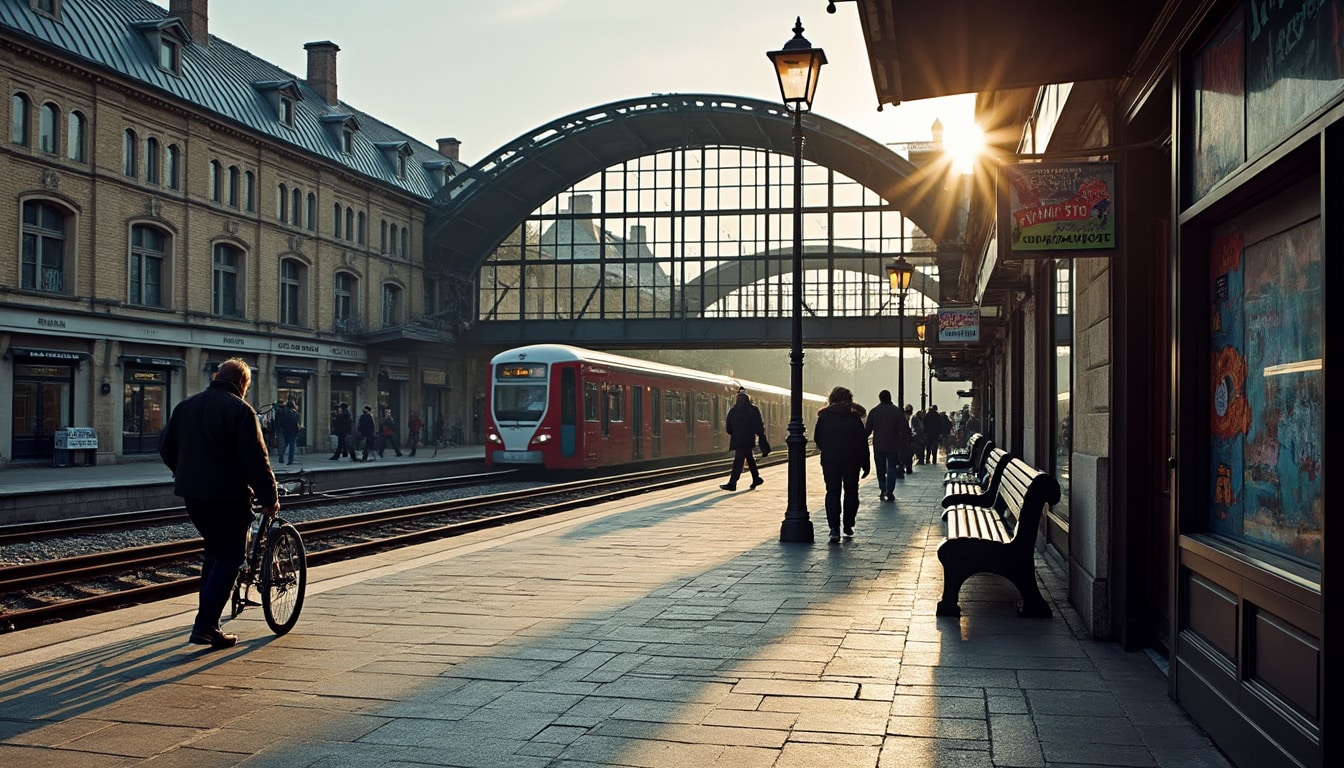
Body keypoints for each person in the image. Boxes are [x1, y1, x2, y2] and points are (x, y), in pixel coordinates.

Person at [159, 357, 279, 650]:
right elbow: (256, 461)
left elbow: (165, 447)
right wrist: (269, 498)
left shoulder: (186, 406)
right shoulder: (240, 410)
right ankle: (206, 626)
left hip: (193, 497)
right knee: (231, 557)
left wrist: (183, 472)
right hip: (228, 497)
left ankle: (207, 621)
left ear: (218, 377)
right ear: (242, 383)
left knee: (214, 555)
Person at [813, 386, 870, 543]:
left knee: (832, 492)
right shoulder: (854, 418)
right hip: (852, 461)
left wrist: (829, 449)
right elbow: (862, 442)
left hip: (831, 460)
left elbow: (817, 438)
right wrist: (866, 463)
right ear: (849, 400)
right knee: (851, 492)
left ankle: (834, 529)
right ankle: (848, 524)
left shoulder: (824, 416)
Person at [865, 390, 909, 502]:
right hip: (893, 445)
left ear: (880, 398)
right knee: (891, 468)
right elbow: (904, 430)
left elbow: (868, 430)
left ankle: (882, 487)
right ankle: (890, 490)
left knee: (880, 468)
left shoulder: (874, 412)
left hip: (879, 445)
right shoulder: (897, 412)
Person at [719, 391, 766, 491]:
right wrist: (760, 435)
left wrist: (733, 431)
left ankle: (732, 483)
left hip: (738, 439)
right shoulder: (753, 409)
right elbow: (758, 424)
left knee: (738, 460)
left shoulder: (734, 410)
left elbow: (728, 427)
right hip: (749, 438)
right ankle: (756, 478)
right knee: (749, 458)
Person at [274, 400, 300, 465]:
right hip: (293, 432)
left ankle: (281, 457)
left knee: (284, 445)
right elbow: (297, 423)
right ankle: (290, 460)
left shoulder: (283, 412)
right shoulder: (295, 413)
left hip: (285, 431)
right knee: (292, 446)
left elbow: (281, 421)